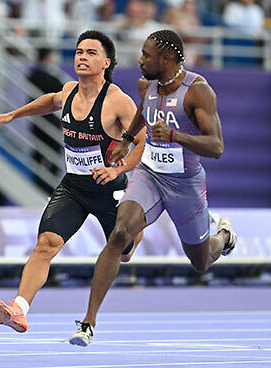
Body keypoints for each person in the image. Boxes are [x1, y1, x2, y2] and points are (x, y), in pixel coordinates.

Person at [69, 30, 237, 347]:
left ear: (167, 59)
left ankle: (224, 235)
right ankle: (88, 323)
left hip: (185, 184)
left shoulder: (198, 91)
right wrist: (127, 141)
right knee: (120, 234)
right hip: (150, 176)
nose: (140, 59)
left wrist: (176, 137)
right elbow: (143, 115)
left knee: (200, 262)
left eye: (146, 54)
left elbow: (216, 147)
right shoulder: (146, 85)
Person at [0, 30, 145, 334]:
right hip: (73, 186)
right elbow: (50, 101)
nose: (82, 57)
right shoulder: (70, 90)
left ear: (106, 62)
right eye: (78, 52)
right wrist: (13, 115)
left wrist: (117, 169)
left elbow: (141, 142)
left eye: (90, 53)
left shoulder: (118, 102)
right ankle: (19, 308)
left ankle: (137, 231)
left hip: (109, 189)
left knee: (124, 251)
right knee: (46, 244)